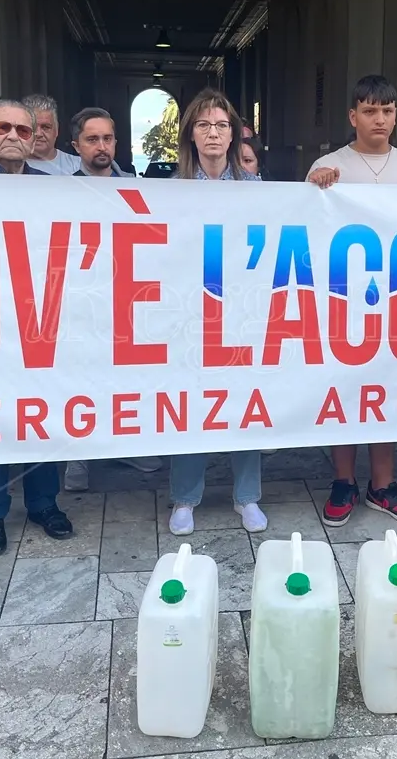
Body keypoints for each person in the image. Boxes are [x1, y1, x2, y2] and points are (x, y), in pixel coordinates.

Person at [306, 74, 397, 528]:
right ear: (353, 116)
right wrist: (313, 186)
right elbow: (305, 224)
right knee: (345, 390)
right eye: (369, 111)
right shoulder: (328, 165)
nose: (379, 119)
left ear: (396, 116)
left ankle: (383, 484)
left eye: (387, 111)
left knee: (387, 391)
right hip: (343, 299)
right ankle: (343, 481)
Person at [0, 100, 71, 555]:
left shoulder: (54, 190)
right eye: (3, 127)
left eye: (24, 130)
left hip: (40, 322)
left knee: (40, 414)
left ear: (35, 140)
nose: (13, 136)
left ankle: (44, 504)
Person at [168, 88, 267, 536]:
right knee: (189, 403)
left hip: (241, 312)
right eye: (204, 125)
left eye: (222, 125)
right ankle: (185, 498)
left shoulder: (255, 189)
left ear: (234, 134)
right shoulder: (171, 190)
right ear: (190, 133)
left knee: (245, 402)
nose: (213, 133)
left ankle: (247, 497)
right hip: (188, 314)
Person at [62, 107, 161, 491]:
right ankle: (78, 456)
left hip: (128, 298)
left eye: (107, 138)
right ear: (76, 146)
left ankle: (127, 445)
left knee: (126, 377)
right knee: (81, 376)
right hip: (82, 298)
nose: (101, 146)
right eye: (92, 139)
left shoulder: (139, 190)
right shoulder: (58, 192)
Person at [23, 94, 82, 174]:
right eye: (33, 126)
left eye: (45, 127)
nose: (38, 134)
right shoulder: (12, 167)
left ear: (56, 130)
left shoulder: (78, 166)